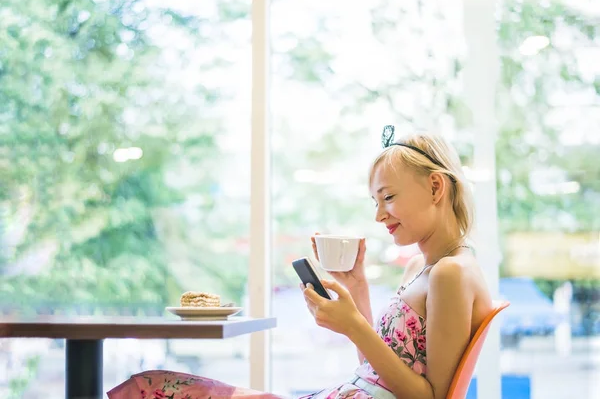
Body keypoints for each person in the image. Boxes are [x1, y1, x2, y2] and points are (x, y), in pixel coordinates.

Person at [107, 127, 492, 399]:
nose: (379, 215)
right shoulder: (423, 270)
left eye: (388, 197)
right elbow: (378, 373)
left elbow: (431, 398)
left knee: (152, 387)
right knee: (152, 383)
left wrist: (356, 327)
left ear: (436, 187)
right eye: (375, 202)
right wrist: (356, 289)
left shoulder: (450, 274)